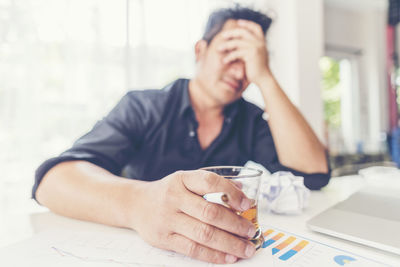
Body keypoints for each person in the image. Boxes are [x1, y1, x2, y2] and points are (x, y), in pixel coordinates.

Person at [33, 6, 330, 264]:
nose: (241, 73)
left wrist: (265, 76)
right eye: (230, 53)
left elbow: (314, 173)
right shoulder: (144, 107)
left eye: (251, 60)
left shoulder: (248, 119)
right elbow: (52, 182)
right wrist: (139, 204)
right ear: (200, 51)